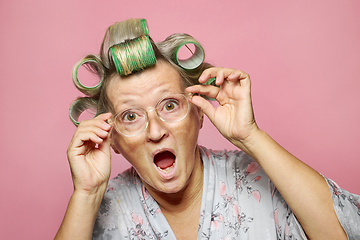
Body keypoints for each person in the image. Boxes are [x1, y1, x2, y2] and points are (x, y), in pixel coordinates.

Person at [55, 19, 360, 240]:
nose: (155, 131)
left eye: (170, 105)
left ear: (199, 113)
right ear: (113, 140)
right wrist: (87, 193)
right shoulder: (104, 209)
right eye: (131, 116)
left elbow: (344, 233)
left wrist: (250, 137)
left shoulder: (257, 180)